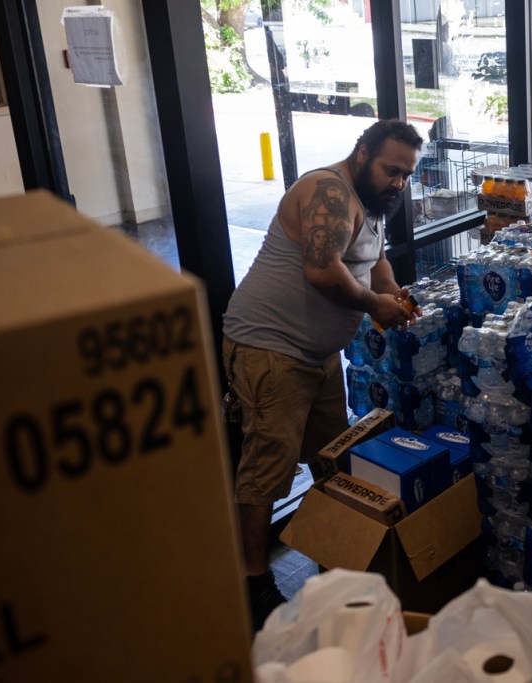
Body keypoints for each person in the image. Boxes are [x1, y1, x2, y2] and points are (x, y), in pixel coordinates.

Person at [221, 119, 424, 630]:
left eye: (406, 174)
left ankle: (331, 550)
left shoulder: (372, 204)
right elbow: (321, 269)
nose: (398, 182)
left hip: (315, 356)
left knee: (329, 455)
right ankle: (250, 578)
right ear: (362, 154)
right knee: (269, 464)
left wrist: (395, 299)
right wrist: (373, 303)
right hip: (270, 348)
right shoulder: (328, 191)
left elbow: (376, 266)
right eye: (390, 170)